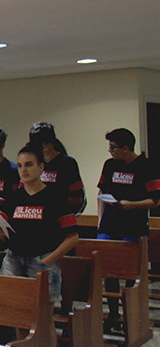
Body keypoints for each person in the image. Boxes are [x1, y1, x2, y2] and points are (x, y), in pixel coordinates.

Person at [0, 143, 79, 305]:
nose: (23, 170)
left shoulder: (56, 197)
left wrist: (48, 260)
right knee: (11, 306)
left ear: (41, 167)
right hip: (14, 259)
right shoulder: (13, 197)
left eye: (29, 165)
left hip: (42, 260)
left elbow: (73, 237)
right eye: (20, 165)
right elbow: (2, 228)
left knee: (42, 311)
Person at [96, 128, 160, 329]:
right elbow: (101, 192)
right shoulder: (110, 165)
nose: (110, 151)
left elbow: (155, 200)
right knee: (109, 271)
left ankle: (130, 316)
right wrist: (100, 220)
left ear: (126, 148)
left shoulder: (147, 166)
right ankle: (113, 315)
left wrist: (131, 205)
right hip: (109, 225)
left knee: (130, 273)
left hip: (133, 226)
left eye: (113, 147)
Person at [28, 122, 85, 213]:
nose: (40, 149)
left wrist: (53, 198)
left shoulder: (67, 163)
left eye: (43, 145)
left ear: (51, 143)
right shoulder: (33, 163)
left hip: (60, 214)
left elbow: (77, 199)